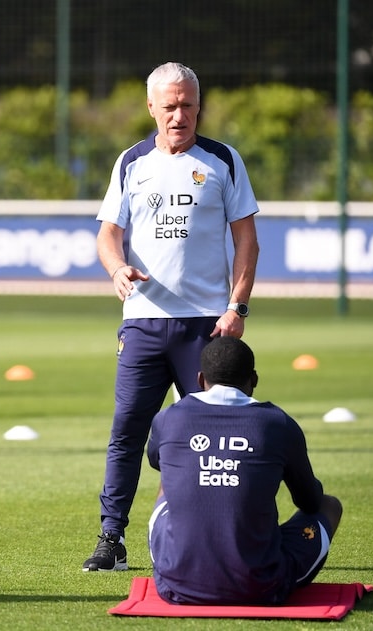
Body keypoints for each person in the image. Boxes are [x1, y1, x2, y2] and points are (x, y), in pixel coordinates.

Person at [83, 61, 260, 572]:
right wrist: (116, 269)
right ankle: (111, 539)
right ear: (152, 108)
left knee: (212, 436)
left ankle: (199, 536)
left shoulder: (224, 160)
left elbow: (245, 237)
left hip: (207, 326)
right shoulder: (131, 162)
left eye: (187, 105)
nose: (179, 115)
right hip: (142, 323)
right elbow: (108, 234)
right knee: (127, 432)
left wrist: (237, 306)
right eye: (170, 106)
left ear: (199, 106)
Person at [146, 336, 342, 605]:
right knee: (330, 505)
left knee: (169, 479)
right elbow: (310, 501)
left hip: (175, 585)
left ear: (201, 380)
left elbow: (156, 461)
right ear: (254, 380)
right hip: (261, 588)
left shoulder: (169, 417)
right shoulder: (278, 423)